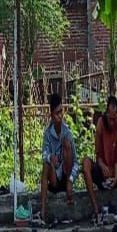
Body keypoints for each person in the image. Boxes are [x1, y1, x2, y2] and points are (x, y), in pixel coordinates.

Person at [91, 95, 117, 221]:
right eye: (110, 118)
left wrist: (115, 176)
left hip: (115, 169)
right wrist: (102, 165)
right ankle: (95, 208)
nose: (112, 122)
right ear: (106, 114)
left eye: (114, 118)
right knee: (86, 163)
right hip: (102, 169)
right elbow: (97, 153)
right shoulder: (100, 124)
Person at [40, 93, 77, 221]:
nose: (60, 115)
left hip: (66, 177)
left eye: (61, 111)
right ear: (51, 115)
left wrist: (71, 180)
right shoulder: (47, 133)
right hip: (54, 178)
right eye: (57, 113)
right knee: (45, 164)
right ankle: (42, 211)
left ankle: (68, 186)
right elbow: (43, 154)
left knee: (67, 144)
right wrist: (50, 157)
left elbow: (76, 163)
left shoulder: (67, 132)